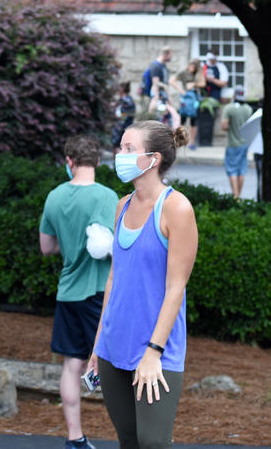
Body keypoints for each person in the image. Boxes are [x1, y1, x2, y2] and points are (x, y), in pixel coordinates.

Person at [88, 122, 198, 449]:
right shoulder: (122, 205)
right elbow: (113, 279)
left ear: (154, 158)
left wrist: (153, 352)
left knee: (153, 443)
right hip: (112, 347)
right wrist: (97, 346)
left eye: (128, 149)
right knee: (129, 441)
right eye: (120, 147)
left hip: (156, 352)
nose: (119, 155)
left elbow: (176, 288)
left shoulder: (177, 208)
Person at [40, 136, 118, 449]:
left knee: (71, 366)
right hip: (100, 292)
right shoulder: (109, 197)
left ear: (69, 160)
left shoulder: (55, 197)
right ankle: (130, 435)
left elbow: (47, 247)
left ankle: (75, 438)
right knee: (113, 366)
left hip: (68, 292)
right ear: (97, 161)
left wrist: (70, 246)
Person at [221, 88, 253, 199]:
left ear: (234, 96)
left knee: (232, 170)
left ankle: (235, 196)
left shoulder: (228, 108)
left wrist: (231, 127)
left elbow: (224, 126)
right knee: (241, 170)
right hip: (244, 144)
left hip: (232, 144)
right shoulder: (248, 109)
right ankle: (239, 195)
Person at [171, 59, 205, 148]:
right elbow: (172, 81)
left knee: (193, 122)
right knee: (182, 120)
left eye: (194, 66)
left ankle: (192, 142)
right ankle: (179, 140)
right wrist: (180, 90)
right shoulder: (184, 73)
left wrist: (194, 84)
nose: (192, 68)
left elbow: (203, 83)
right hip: (185, 99)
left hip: (195, 100)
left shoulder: (199, 74)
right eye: (191, 66)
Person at [140, 47, 172, 113]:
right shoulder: (156, 66)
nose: (171, 58)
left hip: (162, 95)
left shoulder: (163, 66)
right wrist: (155, 99)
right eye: (170, 56)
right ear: (165, 54)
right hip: (157, 97)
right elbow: (156, 84)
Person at [111, 82, 137, 155]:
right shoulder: (125, 100)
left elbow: (122, 117)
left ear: (121, 90)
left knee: (119, 146)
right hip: (123, 128)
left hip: (122, 128)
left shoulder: (126, 101)